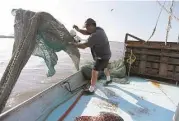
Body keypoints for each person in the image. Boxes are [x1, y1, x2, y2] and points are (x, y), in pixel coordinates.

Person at [71, 18, 112, 95]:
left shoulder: (95, 36)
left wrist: (74, 45)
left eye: (87, 27)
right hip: (107, 54)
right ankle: (109, 79)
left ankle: (91, 89)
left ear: (92, 26)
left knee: (94, 71)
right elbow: (86, 32)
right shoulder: (99, 29)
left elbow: (83, 46)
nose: (86, 29)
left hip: (102, 57)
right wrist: (78, 30)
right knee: (105, 67)